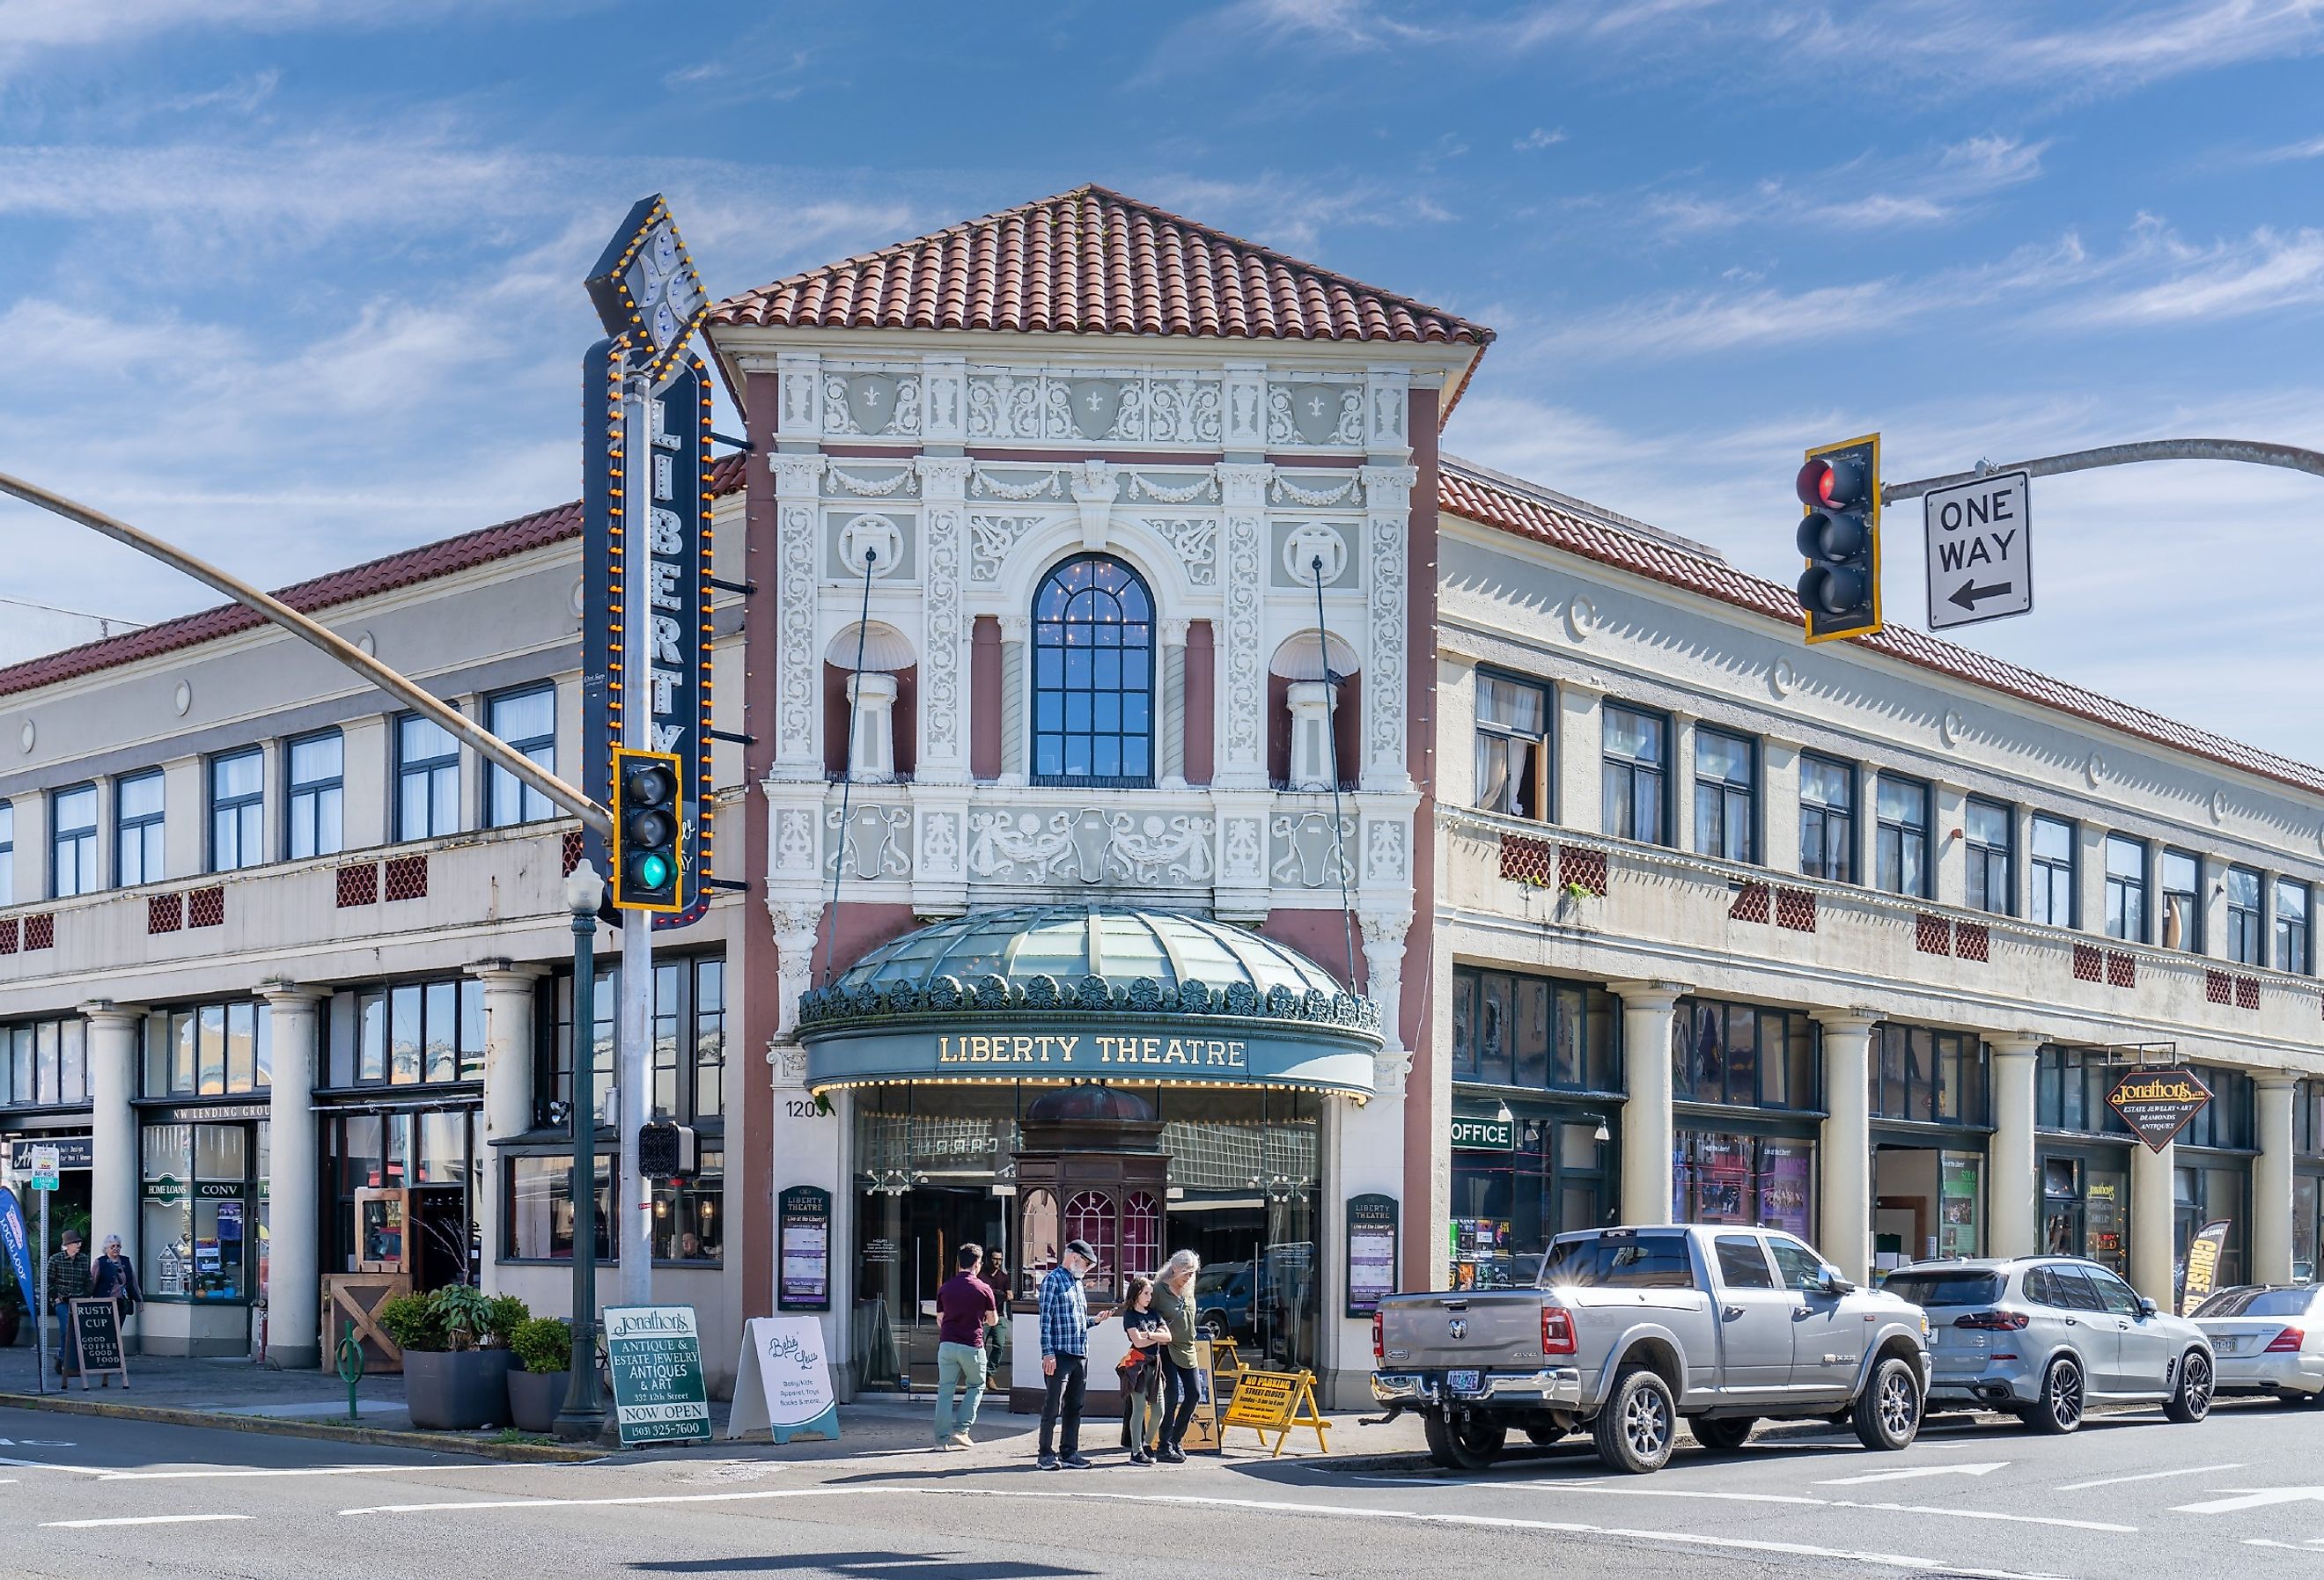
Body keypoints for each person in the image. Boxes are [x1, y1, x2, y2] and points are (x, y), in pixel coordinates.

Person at [1035, 1238, 1114, 1471]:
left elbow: (1076, 1322)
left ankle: (1069, 1452)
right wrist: (1047, 1353)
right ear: (1074, 1257)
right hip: (1059, 1354)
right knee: (1053, 1405)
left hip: (1079, 1353)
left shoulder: (1076, 1283)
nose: (1089, 1269)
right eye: (1087, 1264)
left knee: (1075, 1405)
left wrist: (1095, 1320)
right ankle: (1045, 1454)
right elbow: (1045, 1320)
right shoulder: (1053, 1280)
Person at [931, 1241, 997, 1451]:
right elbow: (994, 1320)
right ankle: (962, 1430)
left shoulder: (945, 1288)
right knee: (976, 1385)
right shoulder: (984, 1289)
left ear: (959, 1263)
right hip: (972, 1345)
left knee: (945, 1390)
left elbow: (940, 1320)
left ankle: (940, 1441)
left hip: (947, 1344)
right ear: (977, 1263)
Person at [1149, 1249, 1202, 1463]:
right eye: (1186, 1272)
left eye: (1192, 1272)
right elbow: (1146, 1313)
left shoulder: (1189, 1289)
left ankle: (1176, 1439)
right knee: (1170, 1396)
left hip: (1188, 1347)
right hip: (1167, 1348)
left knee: (1194, 1393)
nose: (1189, 1277)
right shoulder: (1159, 1290)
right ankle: (1164, 1445)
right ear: (1174, 1269)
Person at [1117, 1275, 1169, 1466]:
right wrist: (1157, 1337)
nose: (1149, 1297)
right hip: (1137, 1366)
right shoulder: (1130, 1315)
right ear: (1137, 1293)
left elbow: (1169, 1337)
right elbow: (1137, 1342)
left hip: (1155, 1365)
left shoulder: (1154, 1313)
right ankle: (1136, 1451)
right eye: (1146, 1293)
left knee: (1159, 1411)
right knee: (1138, 1408)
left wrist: (1149, 1334)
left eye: (1151, 1293)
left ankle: (1147, 1443)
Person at [43, 1229, 89, 1377]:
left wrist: (87, 1294)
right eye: (76, 1242)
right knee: (67, 1329)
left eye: (79, 1242)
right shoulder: (56, 1259)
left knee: (78, 1330)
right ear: (67, 1245)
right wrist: (55, 1298)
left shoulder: (83, 1259)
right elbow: (47, 1281)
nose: (79, 1245)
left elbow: (88, 1279)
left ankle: (65, 1359)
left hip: (79, 1300)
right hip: (62, 1301)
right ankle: (66, 1363)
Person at [89, 1235, 140, 1341]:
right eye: (113, 1246)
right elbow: (93, 1281)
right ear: (106, 1248)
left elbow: (133, 1281)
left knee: (117, 1329)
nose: (116, 1248)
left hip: (122, 1302)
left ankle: (115, 1352)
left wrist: (139, 1299)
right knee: (106, 1329)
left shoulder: (125, 1261)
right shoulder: (100, 1262)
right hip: (105, 1301)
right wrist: (87, 1298)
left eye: (118, 1246)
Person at [981, 1250, 1010, 1380]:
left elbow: (1009, 1294)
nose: (998, 1262)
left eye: (1000, 1259)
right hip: (983, 1316)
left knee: (999, 1345)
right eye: (995, 1259)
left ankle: (989, 1374)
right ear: (988, 1259)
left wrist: (1006, 1295)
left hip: (999, 1315)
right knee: (979, 1346)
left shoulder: (1003, 1277)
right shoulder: (981, 1276)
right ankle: (978, 1373)